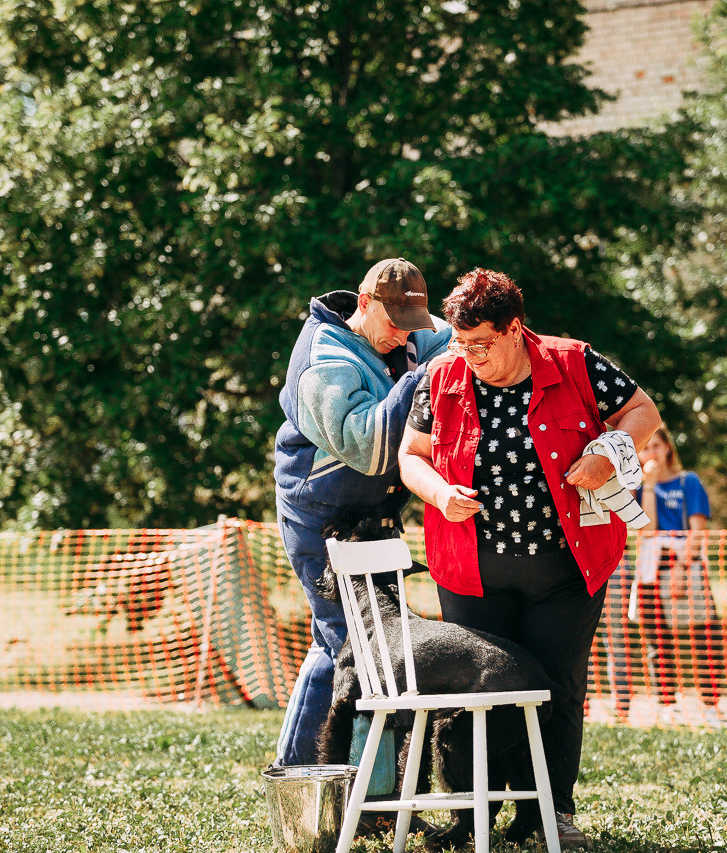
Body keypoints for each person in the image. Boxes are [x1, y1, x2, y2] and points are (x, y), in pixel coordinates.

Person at [398, 267, 660, 849]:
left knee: (558, 689)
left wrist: (608, 453)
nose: (469, 357)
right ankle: (474, 814)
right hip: (471, 573)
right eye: (460, 344)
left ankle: (550, 813)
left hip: (566, 571)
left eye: (481, 344)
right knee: (478, 695)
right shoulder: (440, 376)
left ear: (515, 328)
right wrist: (439, 493)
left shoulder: (575, 362)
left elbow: (643, 412)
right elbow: (411, 456)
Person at [272, 257, 452, 766]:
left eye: (413, 325)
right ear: (365, 303)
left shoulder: (407, 331)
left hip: (373, 514)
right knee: (361, 651)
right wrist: (423, 378)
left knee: (342, 644)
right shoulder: (323, 358)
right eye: (395, 324)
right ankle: (360, 789)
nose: (405, 337)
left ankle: (303, 777)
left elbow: (459, 340)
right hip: (320, 514)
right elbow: (369, 449)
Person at [605, 425, 727, 727]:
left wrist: (682, 569)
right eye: (645, 448)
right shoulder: (636, 488)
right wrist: (648, 484)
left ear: (668, 448)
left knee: (703, 637)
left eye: (656, 446)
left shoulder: (688, 481)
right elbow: (646, 529)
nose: (652, 453)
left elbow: (698, 530)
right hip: (651, 569)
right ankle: (668, 704)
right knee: (657, 640)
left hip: (686, 564)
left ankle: (711, 705)